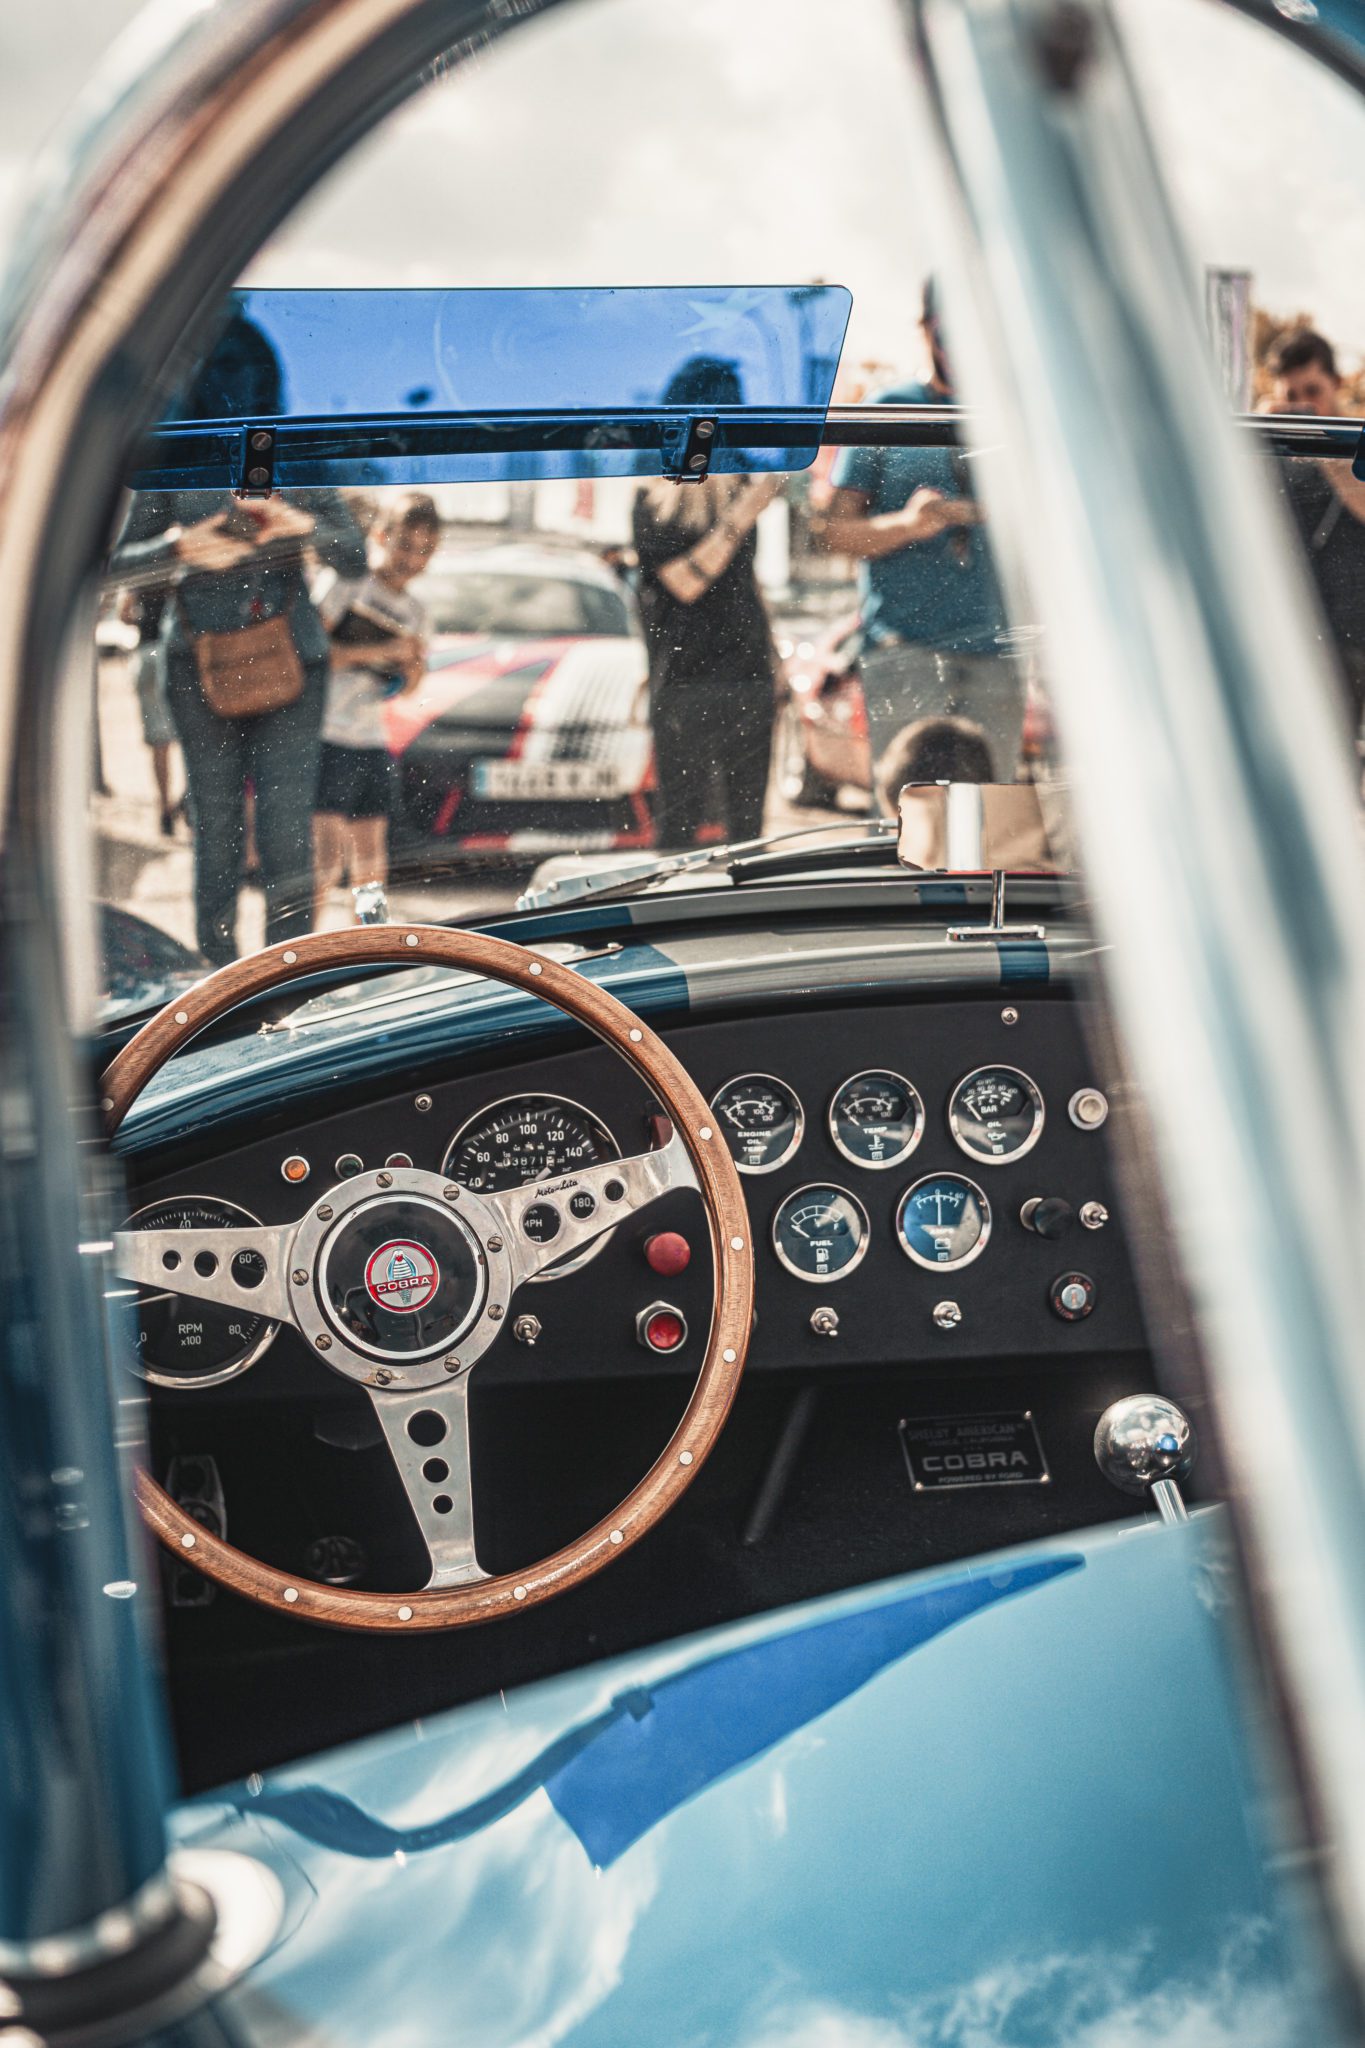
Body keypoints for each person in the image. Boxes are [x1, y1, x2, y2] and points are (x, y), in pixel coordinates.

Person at [110, 311, 367, 961]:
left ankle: (287, 979)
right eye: (222, 370)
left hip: (293, 662)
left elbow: (355, 558)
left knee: (286, 835)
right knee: (215, 831)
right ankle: (217, 980)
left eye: (249, 372)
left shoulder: (294, 452)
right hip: (198, 663)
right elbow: (114, 565)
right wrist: (181, 546)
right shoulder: (174, 452)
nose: (237, 386)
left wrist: (296, 527)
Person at [814, 279, 1018, 802]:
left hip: (996, 655)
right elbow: (834, 531)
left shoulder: (1015, 415)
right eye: (948, 332)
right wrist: (909, 525)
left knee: (995, 822)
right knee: (905, 818)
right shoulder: (889, 407)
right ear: (925, 329)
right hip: (905, 653)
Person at [632, 361, 782, 849]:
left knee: (747, 832)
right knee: (679, 829)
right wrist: (743, 514)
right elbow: (684, 585)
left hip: (747, 677)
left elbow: (746, 581)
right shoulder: (653, 496)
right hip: (686, 681)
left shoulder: (741, 482)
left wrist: (777, 663)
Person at [311, 494, 439, 927]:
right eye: (405, 545)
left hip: (371, 738)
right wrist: (384, 649)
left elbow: (410, 689)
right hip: (327, 733)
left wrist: (412, 666)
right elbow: (315, 656)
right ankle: (299, 952)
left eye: (424, 550)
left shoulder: (418, 612)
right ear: (382, 536)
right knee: (324, 862)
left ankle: (367, 953)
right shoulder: (347, 583)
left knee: (371, 868)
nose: (412, 559)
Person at [1262, 327, 1365, 739]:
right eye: (1291, 396)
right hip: (1304, 636)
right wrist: (1258, 437)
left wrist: (1323, 443)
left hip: (1355, 631)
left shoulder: (1356, 439)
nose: (1302, 406)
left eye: (1312, 392)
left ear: (1336, 383)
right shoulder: (1272, 450)